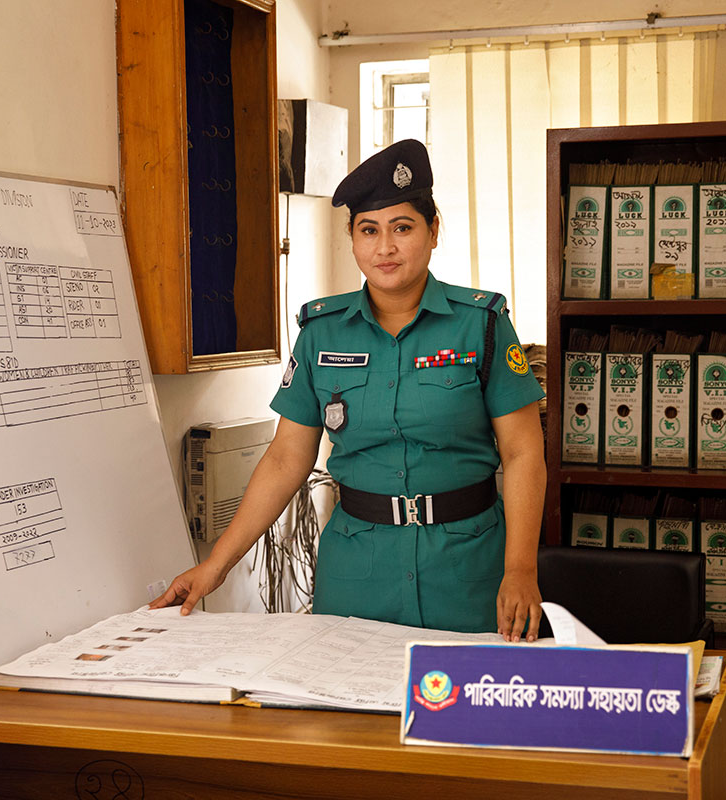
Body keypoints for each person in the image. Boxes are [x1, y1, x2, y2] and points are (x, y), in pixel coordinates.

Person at [149, 139, 547, 641]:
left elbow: (523, 452)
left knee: (464, 714)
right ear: (354, 240)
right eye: (369, 231)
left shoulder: (482, 326)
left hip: (468, 570)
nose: (385, 247)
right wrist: (217, 565)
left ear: (433, 232)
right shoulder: (322, 332)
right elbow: (285, 459)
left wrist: (521, 570)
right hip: (357, 572)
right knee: (344, 715)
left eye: (403, 228)